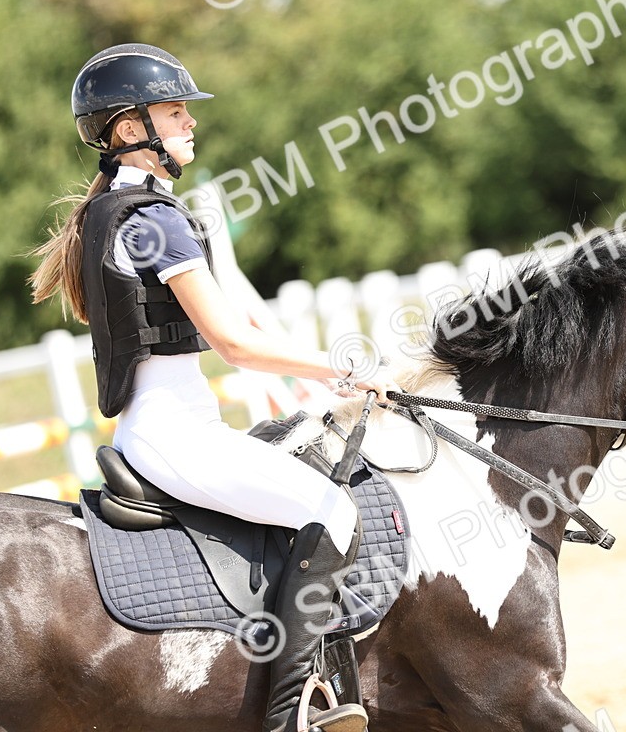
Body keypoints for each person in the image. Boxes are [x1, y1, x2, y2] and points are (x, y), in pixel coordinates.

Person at [30, 43, 390, 732]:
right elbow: (235, 344)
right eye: (174, 112)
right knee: (334, 513)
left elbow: (241, 315)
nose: (190, 123)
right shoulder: (150, 220)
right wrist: (344, 374)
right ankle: (289, 719)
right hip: (175, 438)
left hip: (173, 428)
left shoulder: (127, 209)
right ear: (131, 130)